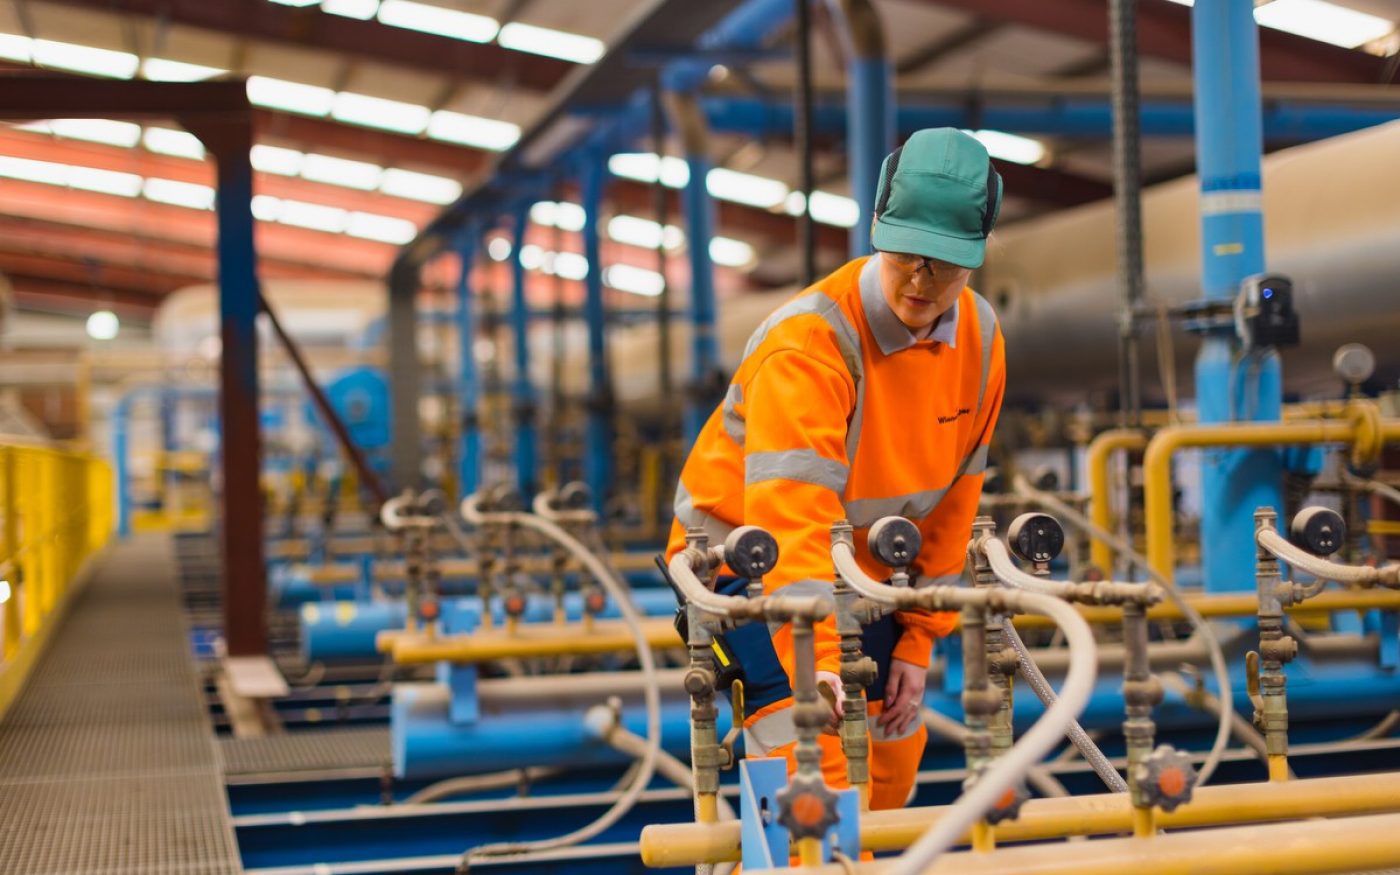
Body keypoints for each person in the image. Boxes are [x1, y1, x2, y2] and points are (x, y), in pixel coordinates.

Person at [664, 127, 1008, 809]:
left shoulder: (981, 338)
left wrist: (919, 641)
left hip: (870, 570)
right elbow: (793, 521)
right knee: (814, 777)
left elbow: (955, 503)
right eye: (906, 255)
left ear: (976, 256)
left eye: (943, 264)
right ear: (877, 229)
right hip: (746, 570)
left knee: (888, 768)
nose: (921, 281)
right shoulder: (811, 343)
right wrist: (819, 659)